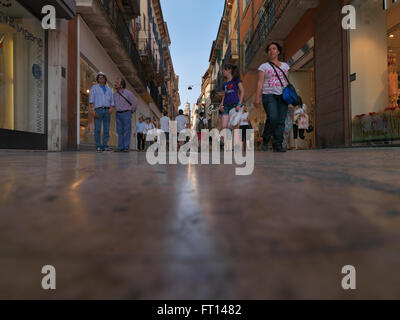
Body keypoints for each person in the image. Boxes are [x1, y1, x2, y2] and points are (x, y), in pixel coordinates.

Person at [254, 42, 290, 152]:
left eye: (274, 49)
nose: (272, 51)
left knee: (281, 120)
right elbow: (260, 83)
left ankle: (277, 144)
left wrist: (289, 96)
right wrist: (257, 97)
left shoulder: (285, 66)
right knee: (273, 117)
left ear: (278, 51)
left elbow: (287, 81)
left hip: (283, 95)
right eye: (269, 49)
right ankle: (265, 139)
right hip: (268, 95)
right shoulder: (263, 66)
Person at [89, 72, 114, 152]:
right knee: (98, 129)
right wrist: (92, 110)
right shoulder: (94, 87)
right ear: (97, 79)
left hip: (107, 110)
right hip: (98, 110)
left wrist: (111, 108)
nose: (101, 79)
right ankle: (98, 146)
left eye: (102, 77)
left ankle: (105, 146)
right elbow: (91, 99)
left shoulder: (109, 89)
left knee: (106, 129)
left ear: (105, 79)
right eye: (99, 78)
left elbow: (112, 100)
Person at [113, 78, 137, 152]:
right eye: (116, 82)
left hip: (126, 113)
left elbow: (134, 102)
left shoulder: (128, 93)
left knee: (127, 131)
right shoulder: (114, 93)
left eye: (117, 82)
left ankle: (126, 147)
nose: (116, 83)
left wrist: (131, 111)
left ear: (122, 85)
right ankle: (120, 147)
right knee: (119, 131)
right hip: (118, 114)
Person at [219, 64, 245, 131]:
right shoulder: (224, 84)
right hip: (226, 107)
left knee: (235, 126)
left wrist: (239, 104)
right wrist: (221, 104)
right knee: (224, 127)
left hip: (235, 105)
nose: (223, 71)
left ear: (229, 70)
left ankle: (236, 141)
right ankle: (228, 141)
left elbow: (242, 91)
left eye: (225, 69)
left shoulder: (236, 80)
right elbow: (224, 95)